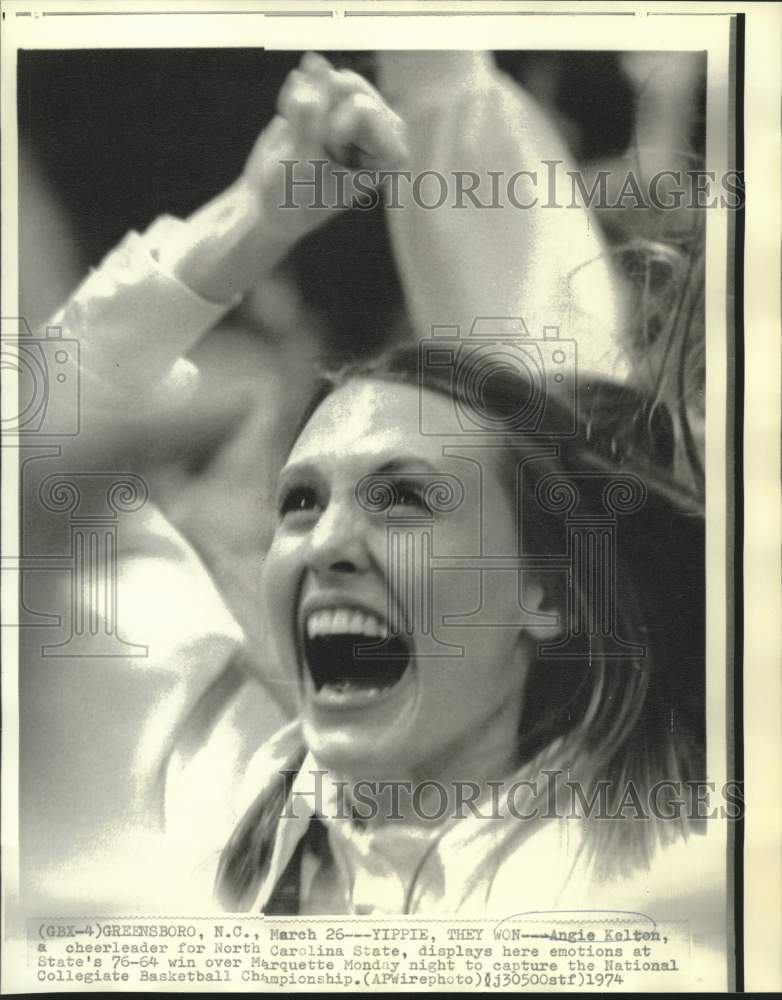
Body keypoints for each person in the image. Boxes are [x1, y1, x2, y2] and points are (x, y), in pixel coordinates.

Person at [29, 51, 719, 952]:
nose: (327, 544)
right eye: (300, 503)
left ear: (545, 594)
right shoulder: (201, 781)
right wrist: (250, 221)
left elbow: (546, 367)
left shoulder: (661, 862)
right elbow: (33, 459)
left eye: (402, 500)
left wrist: (432, 82)